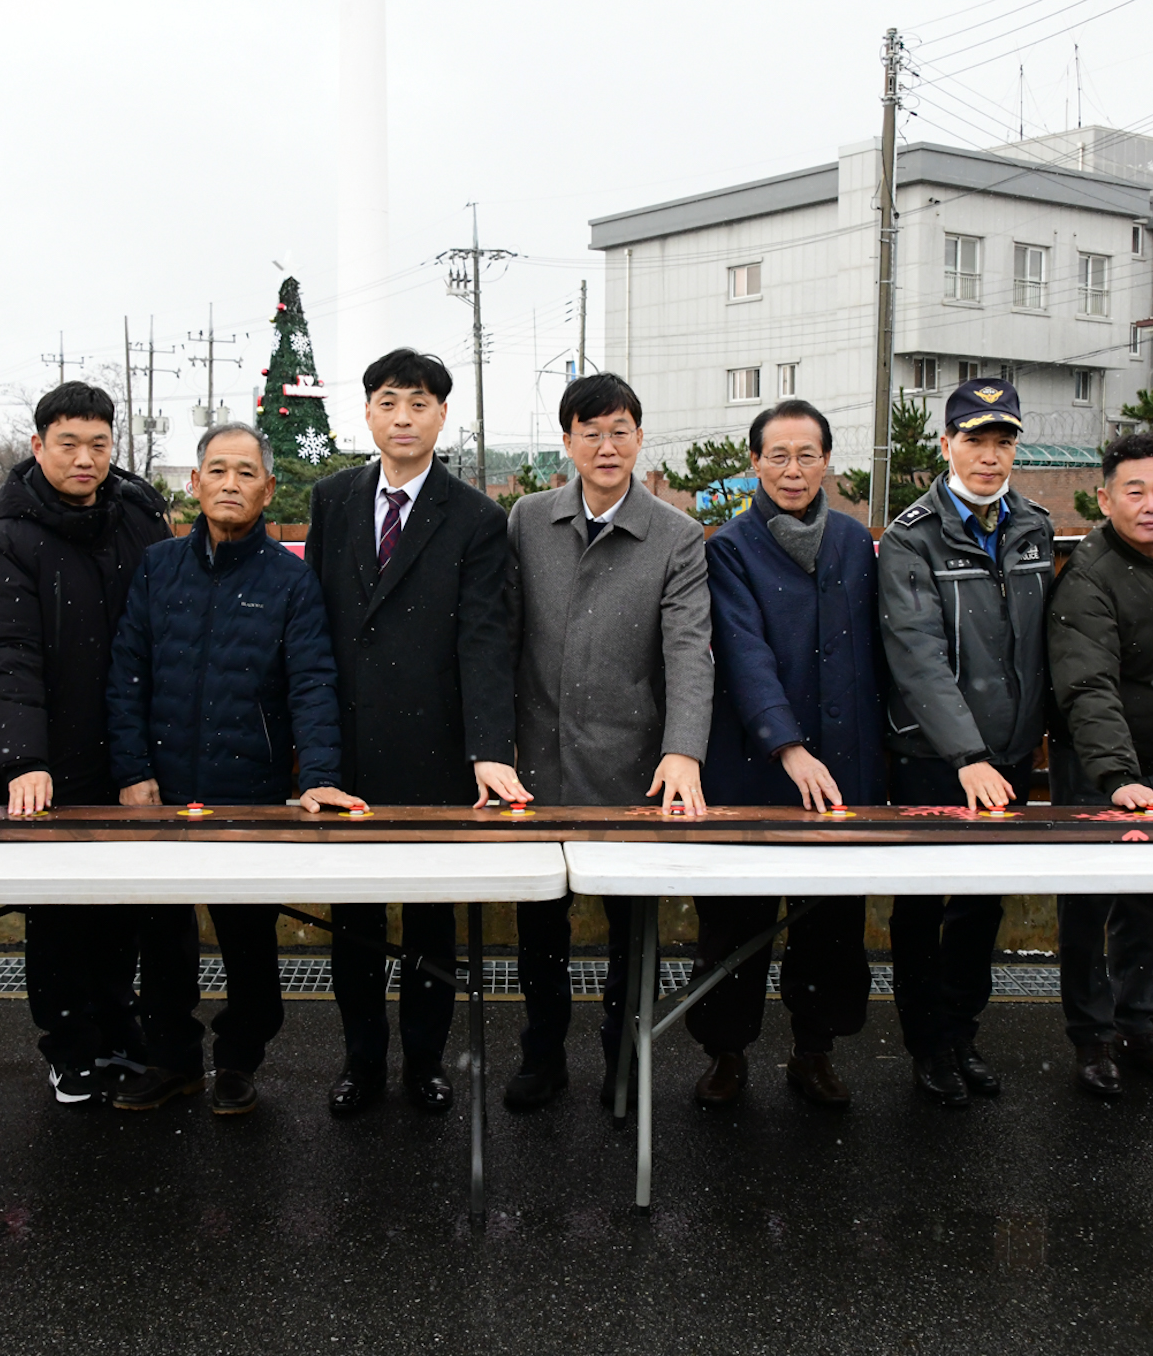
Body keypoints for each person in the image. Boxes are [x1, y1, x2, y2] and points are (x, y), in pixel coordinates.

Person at [105, 423, 363, 1114]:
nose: (229, 483)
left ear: (268, 488)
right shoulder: (159, 568)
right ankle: (172, 1059)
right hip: (160, 789)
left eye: (245, 472)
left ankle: (241, 1060)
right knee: (160, 937)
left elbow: (312, 683)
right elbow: (127, 675)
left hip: (250, 789)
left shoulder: (290, 579)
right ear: (193, 483)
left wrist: (317, 778)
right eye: (216, 470)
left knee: (248, 937)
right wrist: (132, 769)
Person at [306, 349, 529, 1116]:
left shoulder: (473, 516)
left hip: (435, 749)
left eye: (422, 403)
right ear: (367, 411)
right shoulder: (332, 500)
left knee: (432, 921)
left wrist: (488, 750)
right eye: (390, 401)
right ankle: (361, 1060)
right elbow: (315, 630)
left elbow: (485, 639)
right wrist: (314, 747)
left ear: (443, 415)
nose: (404, 417)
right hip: (349, 749)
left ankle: (427, 1062)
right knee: (355, 924)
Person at [0, 381, 184, 1105]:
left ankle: (123, 1028)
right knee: (59, 910)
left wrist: (146, 753)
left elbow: (160, 638)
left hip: (130, 750)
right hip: (54, 760)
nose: (85, 458)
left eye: (99, 443)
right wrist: (25, 759)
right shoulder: (8, 539)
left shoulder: (139, 519)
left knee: (127, 902)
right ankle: (69, 1046)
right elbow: (6, 654)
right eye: (69, 443)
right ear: (38, 446)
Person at [501, 372, 712, 1112]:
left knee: (634, 932)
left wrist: (682, 748)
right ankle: (542, 1052)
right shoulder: (527, 519)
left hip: (633, 767)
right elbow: (500, 636)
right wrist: (497, 744)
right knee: (538, 928)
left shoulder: (678, 535)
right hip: (538, 762)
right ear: (566, 442)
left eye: (620, 429)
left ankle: (624, 1058)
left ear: (640, 437)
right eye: (589, 431)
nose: (606, 444)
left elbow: (690, 647)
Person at [687, 398, 881, 1110]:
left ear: (828, 459)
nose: (793, 469)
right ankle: (727, 1052)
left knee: (830, 923)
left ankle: (814, 1050)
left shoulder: (855, 543)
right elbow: (743, 654)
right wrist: (787, 744)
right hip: (753, 762)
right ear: (754, 463)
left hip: (845, 766)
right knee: (735, 919)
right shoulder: (730, 547)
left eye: (806, 455)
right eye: (778, 455)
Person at [878, 378, 1054, 1107]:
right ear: (946, 445)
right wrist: (967, 755)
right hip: (932, 757)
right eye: (975, 440)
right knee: (923, 906)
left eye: (1002, 440)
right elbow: (916, 655)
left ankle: (962, 1033)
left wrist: (1016, 746)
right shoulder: (911, 535)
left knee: (981, 908)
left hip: (1008, 758)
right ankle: (927, 1045)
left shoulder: (1035, 526)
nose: (989, 455)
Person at [1047, 430, 1153, 1098]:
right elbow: (1086, 687)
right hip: (1093, 766)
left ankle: (1139, 1027)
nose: (1150, 503)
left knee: (1147, 899)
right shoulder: (1088, 576)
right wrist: (1118, 778)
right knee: (1088, 902)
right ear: (1105, 497)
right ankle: (1091, 1038)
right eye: (1134, 490)